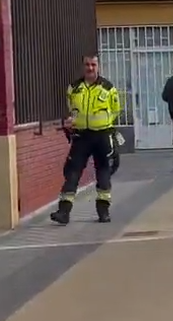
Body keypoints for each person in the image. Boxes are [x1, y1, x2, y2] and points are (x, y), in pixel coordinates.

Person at [51, 55, 122, 225]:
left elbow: (116, 110)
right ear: (83, 66)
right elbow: (71, 110)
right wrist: (71, 122)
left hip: (102, 135)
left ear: (98, 66)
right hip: (81, 136)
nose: (90, 68)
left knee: (103, 171)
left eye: (93, 64)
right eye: (87, 65)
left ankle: (103, 211)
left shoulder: (108, 88)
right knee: (72, 171)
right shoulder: (74, 88)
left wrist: (104, 124)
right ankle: (64, 211)